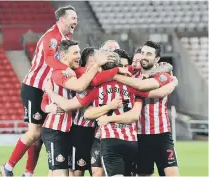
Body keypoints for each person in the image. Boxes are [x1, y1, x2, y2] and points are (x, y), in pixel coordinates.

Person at [43, 51, 178, 176]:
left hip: (110, 140)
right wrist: (173, 82)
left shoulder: (95, 88)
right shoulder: (134, 86)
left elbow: (79, 110)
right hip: (131, 141)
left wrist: (50, 92)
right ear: (119, 66)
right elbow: (157, 93)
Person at [0, 5, 79, 177]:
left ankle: (28, 173)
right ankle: (7, 167)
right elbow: (50, 59)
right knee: (35, 132)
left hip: (45, 89)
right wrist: (66, 68)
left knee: (40, 135)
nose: (76, 21)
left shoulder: (66, 37)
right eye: (73, 18)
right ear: (62, 19)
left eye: (77, 18)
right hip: (34, 87)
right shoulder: (52, 37)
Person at [113, 41, 180, 176]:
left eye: (149, 54)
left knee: (172, 174)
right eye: (142, 53)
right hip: (139, 136)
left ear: (157, 59)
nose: (144, 56)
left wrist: (131, 89)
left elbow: (146, 88)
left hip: (161, 135)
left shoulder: (163, 75)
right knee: (143, 174)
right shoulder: (132, 76)